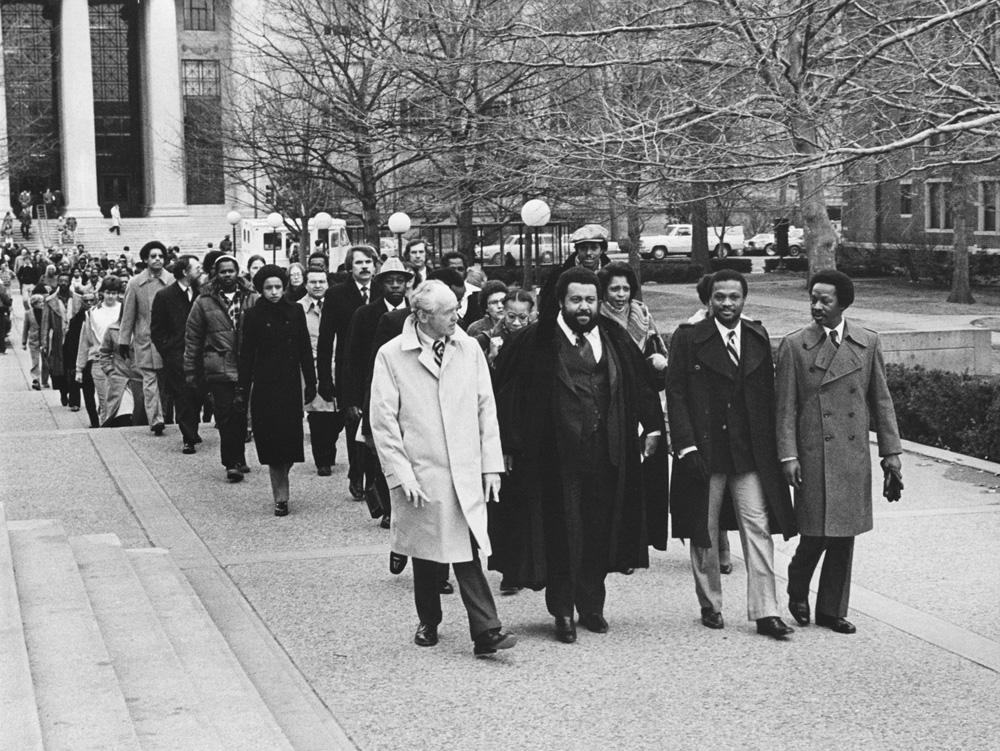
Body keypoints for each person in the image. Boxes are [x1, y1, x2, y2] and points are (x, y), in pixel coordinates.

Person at [490, 267, 665, 644]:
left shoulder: (615, 337)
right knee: (560, 533)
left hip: (607, 453)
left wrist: (652, 426)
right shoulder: (534, 342)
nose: (583, 307)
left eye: (590, 300)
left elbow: (639, 386)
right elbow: (506, 397)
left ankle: (592, 606)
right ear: (561, 301)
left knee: (600, 530)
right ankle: (563, 611)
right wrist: (508, 446)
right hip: (552, 459)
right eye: (576, 300)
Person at [369, 279, 516, 657]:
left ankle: (486, 631)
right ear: (422, 315)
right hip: (422, 469)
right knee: (426, 552)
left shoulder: (469, 348)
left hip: (464, 465)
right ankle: (429, 619)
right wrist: (401, 475)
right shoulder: (391, 355)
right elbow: (383, 423)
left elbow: (487, 408)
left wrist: (490, 468)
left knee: (465, 548)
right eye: (449, 312)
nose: (457, 317)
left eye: (457, 308)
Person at [666, 269, 797, 640]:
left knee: (758, 527)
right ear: (709, 300)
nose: (727, 304)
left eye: (734, 297)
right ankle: (710, 603)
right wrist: (687, 446)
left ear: (744, 299)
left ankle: (766, 611)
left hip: (749, 453)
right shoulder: (688, 338)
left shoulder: (756, 336)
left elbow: (767, 397)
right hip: (705, 452)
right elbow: (675, 394)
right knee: (704, 530)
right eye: (720, 297)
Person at [776, 269, 903, 635]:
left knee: (844, 535)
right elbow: (784, 408)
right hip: (812, 453)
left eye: (824, 300)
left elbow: (881, 401)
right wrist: (788, 456)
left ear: (843, 303)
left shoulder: (867, 342)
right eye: (813, 298)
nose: (816, 306)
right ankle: (798, 585)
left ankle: (832, 611)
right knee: (814, 534)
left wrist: (891, 452)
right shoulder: (794, 345)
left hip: (851, 456)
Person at [239, 265, 316, 516]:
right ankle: (280, 496)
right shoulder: (252, 316)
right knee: (273, 445)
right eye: (268, 288)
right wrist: (243, 387)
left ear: (284, 288)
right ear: (260, 289)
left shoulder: (295, 311)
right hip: (264, 386)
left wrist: (311, 382)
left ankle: (283, 478)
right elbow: (246, 354)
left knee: (290, 444)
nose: (273, 292)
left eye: (278, 287)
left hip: (290, 385)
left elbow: (305, 348)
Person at [342, 257, 411, 525]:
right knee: (378, 452)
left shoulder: (416, 313)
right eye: (390, 280)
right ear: (380, 283)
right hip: (374, 389)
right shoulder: (365, 314)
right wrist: (352, 400)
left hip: (407, 390)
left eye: (400, 280)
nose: (395, 286)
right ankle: (386, 507)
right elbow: (353, 359)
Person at [185, 255, 257, 482]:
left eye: (231, 271)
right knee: (225, 415)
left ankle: (240, 455)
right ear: (217, 273)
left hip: (246, 365)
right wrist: (190, 370)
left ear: (238, 272)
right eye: (223, 271)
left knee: (242, 414)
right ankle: (231, 462)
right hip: (218, 365)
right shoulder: (204, 301)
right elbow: (193, 337)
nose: (227, 275)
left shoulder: (251, 297)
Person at [317, 244, 378, 500]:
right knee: (354, 424)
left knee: (376, 424)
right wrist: (324, 377)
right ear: (350, 267)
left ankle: (374, 479)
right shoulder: (336, 295)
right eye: (359, 263)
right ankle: (356, 472)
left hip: (378, 368)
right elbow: (325, 338)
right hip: (350, 368)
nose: (364, 267)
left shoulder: (383, 291)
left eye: (368, 262)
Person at [151, 255, 203, 454]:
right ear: (184, 272)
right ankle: (188, 436)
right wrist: (168, 350)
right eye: (196, 268)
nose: (200, 271)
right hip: (176, 355)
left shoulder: (201, 293)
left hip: (199, 354)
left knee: (197, 393)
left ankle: (193, 428)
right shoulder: (165, 296)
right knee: (182, 395)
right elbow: (156, 329)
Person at [119, 241, 169, 435]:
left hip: (167, 342)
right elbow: (128, 314)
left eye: (160, 256)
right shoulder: (135, 283)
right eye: (153, 256)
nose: (157, 259)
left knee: (165, 382)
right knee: (149, 381)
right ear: (146, 259)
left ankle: (165, 415)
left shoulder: (172, 281)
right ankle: (155, 419)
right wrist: (124, 340)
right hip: (145, 340)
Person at [297, 267, 337, 475]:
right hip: (311, 369)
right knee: (318, 415)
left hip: (335, 367)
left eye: (321, 281)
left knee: (335, 417)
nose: (318, 285)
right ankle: (322, 460)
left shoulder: (335, 306)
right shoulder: (298, 309)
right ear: (305, 284)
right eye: (313, 282)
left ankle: (329, 450)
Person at [537, 224, 613, 317]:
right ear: (577, 250)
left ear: (602, 250)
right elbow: (548, 310)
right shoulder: (558, 276)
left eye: (594, 248)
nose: (588, 253)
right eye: (583, 248)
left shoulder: (612, 275)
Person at [76, 277, 122, 426]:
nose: (110, 296)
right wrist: (79, 368)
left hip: (121, 360)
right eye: (108, 292)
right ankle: (105, 428)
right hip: (99, 360)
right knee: (104, 400)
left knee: (120, 399)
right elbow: (84, 341)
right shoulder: (92, 313)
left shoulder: (124, 310)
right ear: (102, 292)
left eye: (114, 293)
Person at [474, 288, 534, 368]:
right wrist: (492, 356)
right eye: (511, 316)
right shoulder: (485, 339)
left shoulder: (536, 339)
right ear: (504, 312)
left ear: (529, 315)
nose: (516, 323)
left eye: (522, 317)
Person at [40, 271, 73, 404]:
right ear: (58, 282)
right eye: (61, 281)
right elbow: (45, 324)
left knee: (72, 368)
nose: (64, 283)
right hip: (58, 339)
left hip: (74, 340)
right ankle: (63, 392)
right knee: (59, 369)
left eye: (66, 281)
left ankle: (73, 395)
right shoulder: (50, 301)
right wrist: (44, 343)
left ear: (70, 282)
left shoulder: (77, 299)